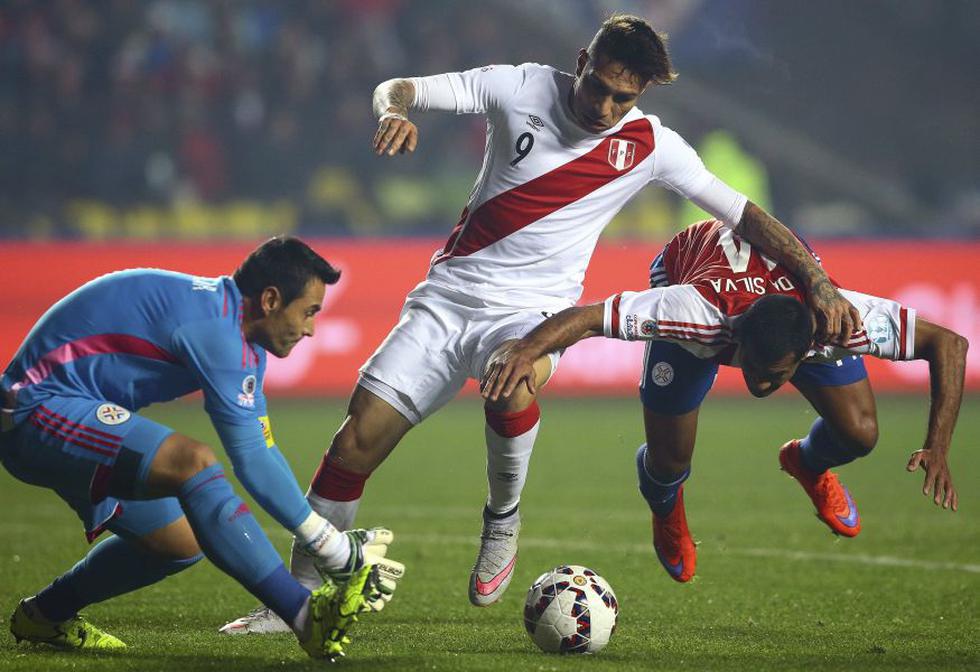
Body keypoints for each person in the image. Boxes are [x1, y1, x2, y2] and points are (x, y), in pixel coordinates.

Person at [224, 13, 862, 632]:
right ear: (580, 63)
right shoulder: (521, 86)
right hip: (447, 299)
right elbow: (401, 88)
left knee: (514, 379)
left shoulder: (650, 145)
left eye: (623, 98)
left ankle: (503, 518)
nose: (607, 109)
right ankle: (294, 603)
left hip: (533, 312)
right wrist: (392, 111)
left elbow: (745, 215)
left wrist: (817, 280)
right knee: (353, 443)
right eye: (600, 88)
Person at [481, 219, 967, 583]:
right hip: (689, 267)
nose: (756, 385)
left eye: (771, 377)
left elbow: (949, 344)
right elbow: (588, 316)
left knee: (860, 433)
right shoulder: (693, 314)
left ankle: (807, 463)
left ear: (806, 355)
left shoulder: (840, 319)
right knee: (670, 460)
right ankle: (667, 506)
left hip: (789, 296)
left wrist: (938, 446)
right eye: (750, 367)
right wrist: (526, 350)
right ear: (738, 342)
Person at [0, 237, 404, 660]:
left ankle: (44, 614)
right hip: (36, 408)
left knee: (179, 542)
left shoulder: (237, 335)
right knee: (192, 463)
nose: (310, 329)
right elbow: (250, 460)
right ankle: (306, 617)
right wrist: (334, 549)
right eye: (307, 312)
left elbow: (262, 451)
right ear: (270, 300)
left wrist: (328, 545)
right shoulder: (215, 328)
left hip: (77, 410)